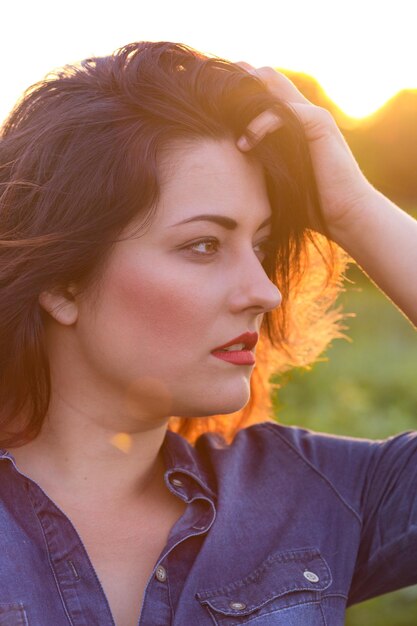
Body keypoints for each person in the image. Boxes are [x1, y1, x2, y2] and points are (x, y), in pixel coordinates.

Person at [0, 40, 415, 626]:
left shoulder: (312, 498)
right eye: (203, 245)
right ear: (64, 283)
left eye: (263, 246)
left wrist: (352, 207)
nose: (266, 291)